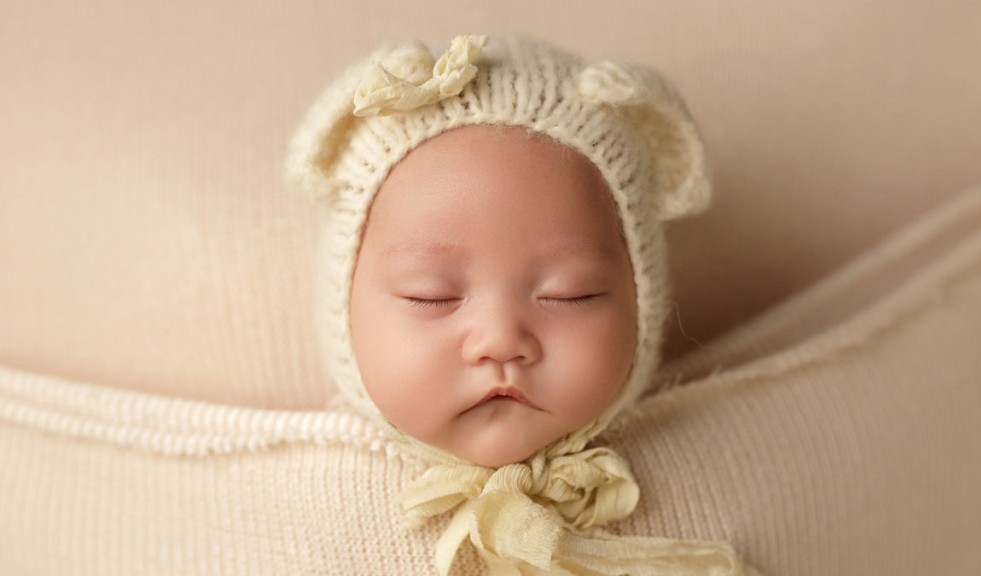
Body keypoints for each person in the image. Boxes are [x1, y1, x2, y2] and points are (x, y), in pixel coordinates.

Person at [288, 34, 759, 576]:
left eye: (568, 294)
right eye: (431, 295)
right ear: (346, 312)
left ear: (640, 301)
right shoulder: (298, 502)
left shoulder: (710, 471)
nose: (501, 339)